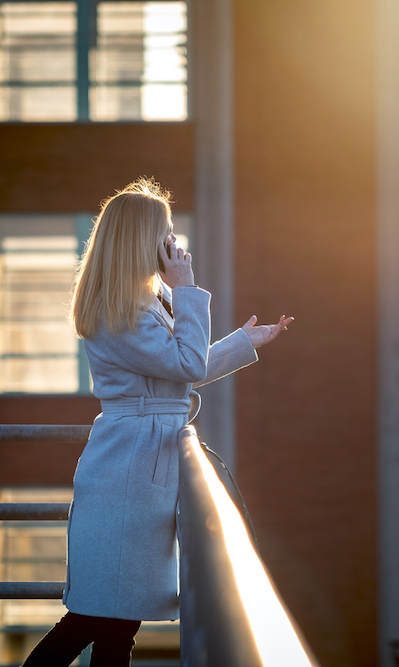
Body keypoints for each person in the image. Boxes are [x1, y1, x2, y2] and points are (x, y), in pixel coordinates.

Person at [22, 178, 292, 667]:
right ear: (141, 240)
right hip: (130, 467)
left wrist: (243, 342)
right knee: (101, 620)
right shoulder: (120, 311)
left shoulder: (142, 303)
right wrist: (187, 289)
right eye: (166, 233)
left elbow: (179, 369)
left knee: (112, 623)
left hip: (138, 460)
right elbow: (186, 367)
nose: (174, 246)